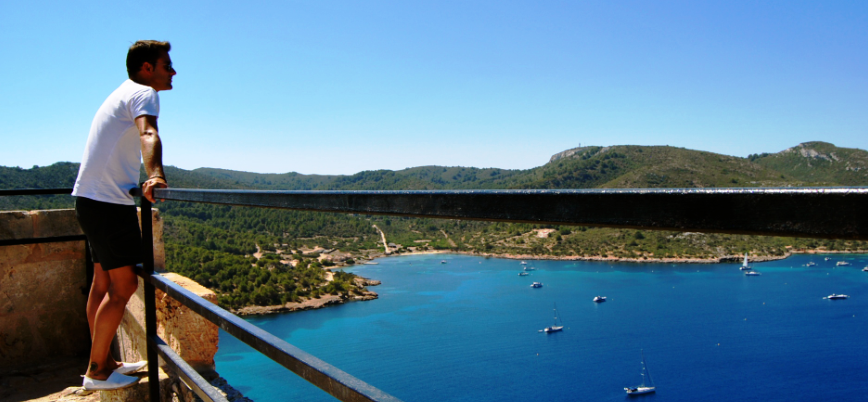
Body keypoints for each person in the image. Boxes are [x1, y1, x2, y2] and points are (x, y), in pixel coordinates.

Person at [72, 40, 175, 391]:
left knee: (102, 284)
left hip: (90, 199)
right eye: (166, 65)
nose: (173, 72)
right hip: (108, 203)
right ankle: (97, 371)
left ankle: (105, 361)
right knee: (125, 285)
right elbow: (148, 132)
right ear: (147, 68)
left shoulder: (121, 92)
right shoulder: (144, 93)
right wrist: (155, 175)